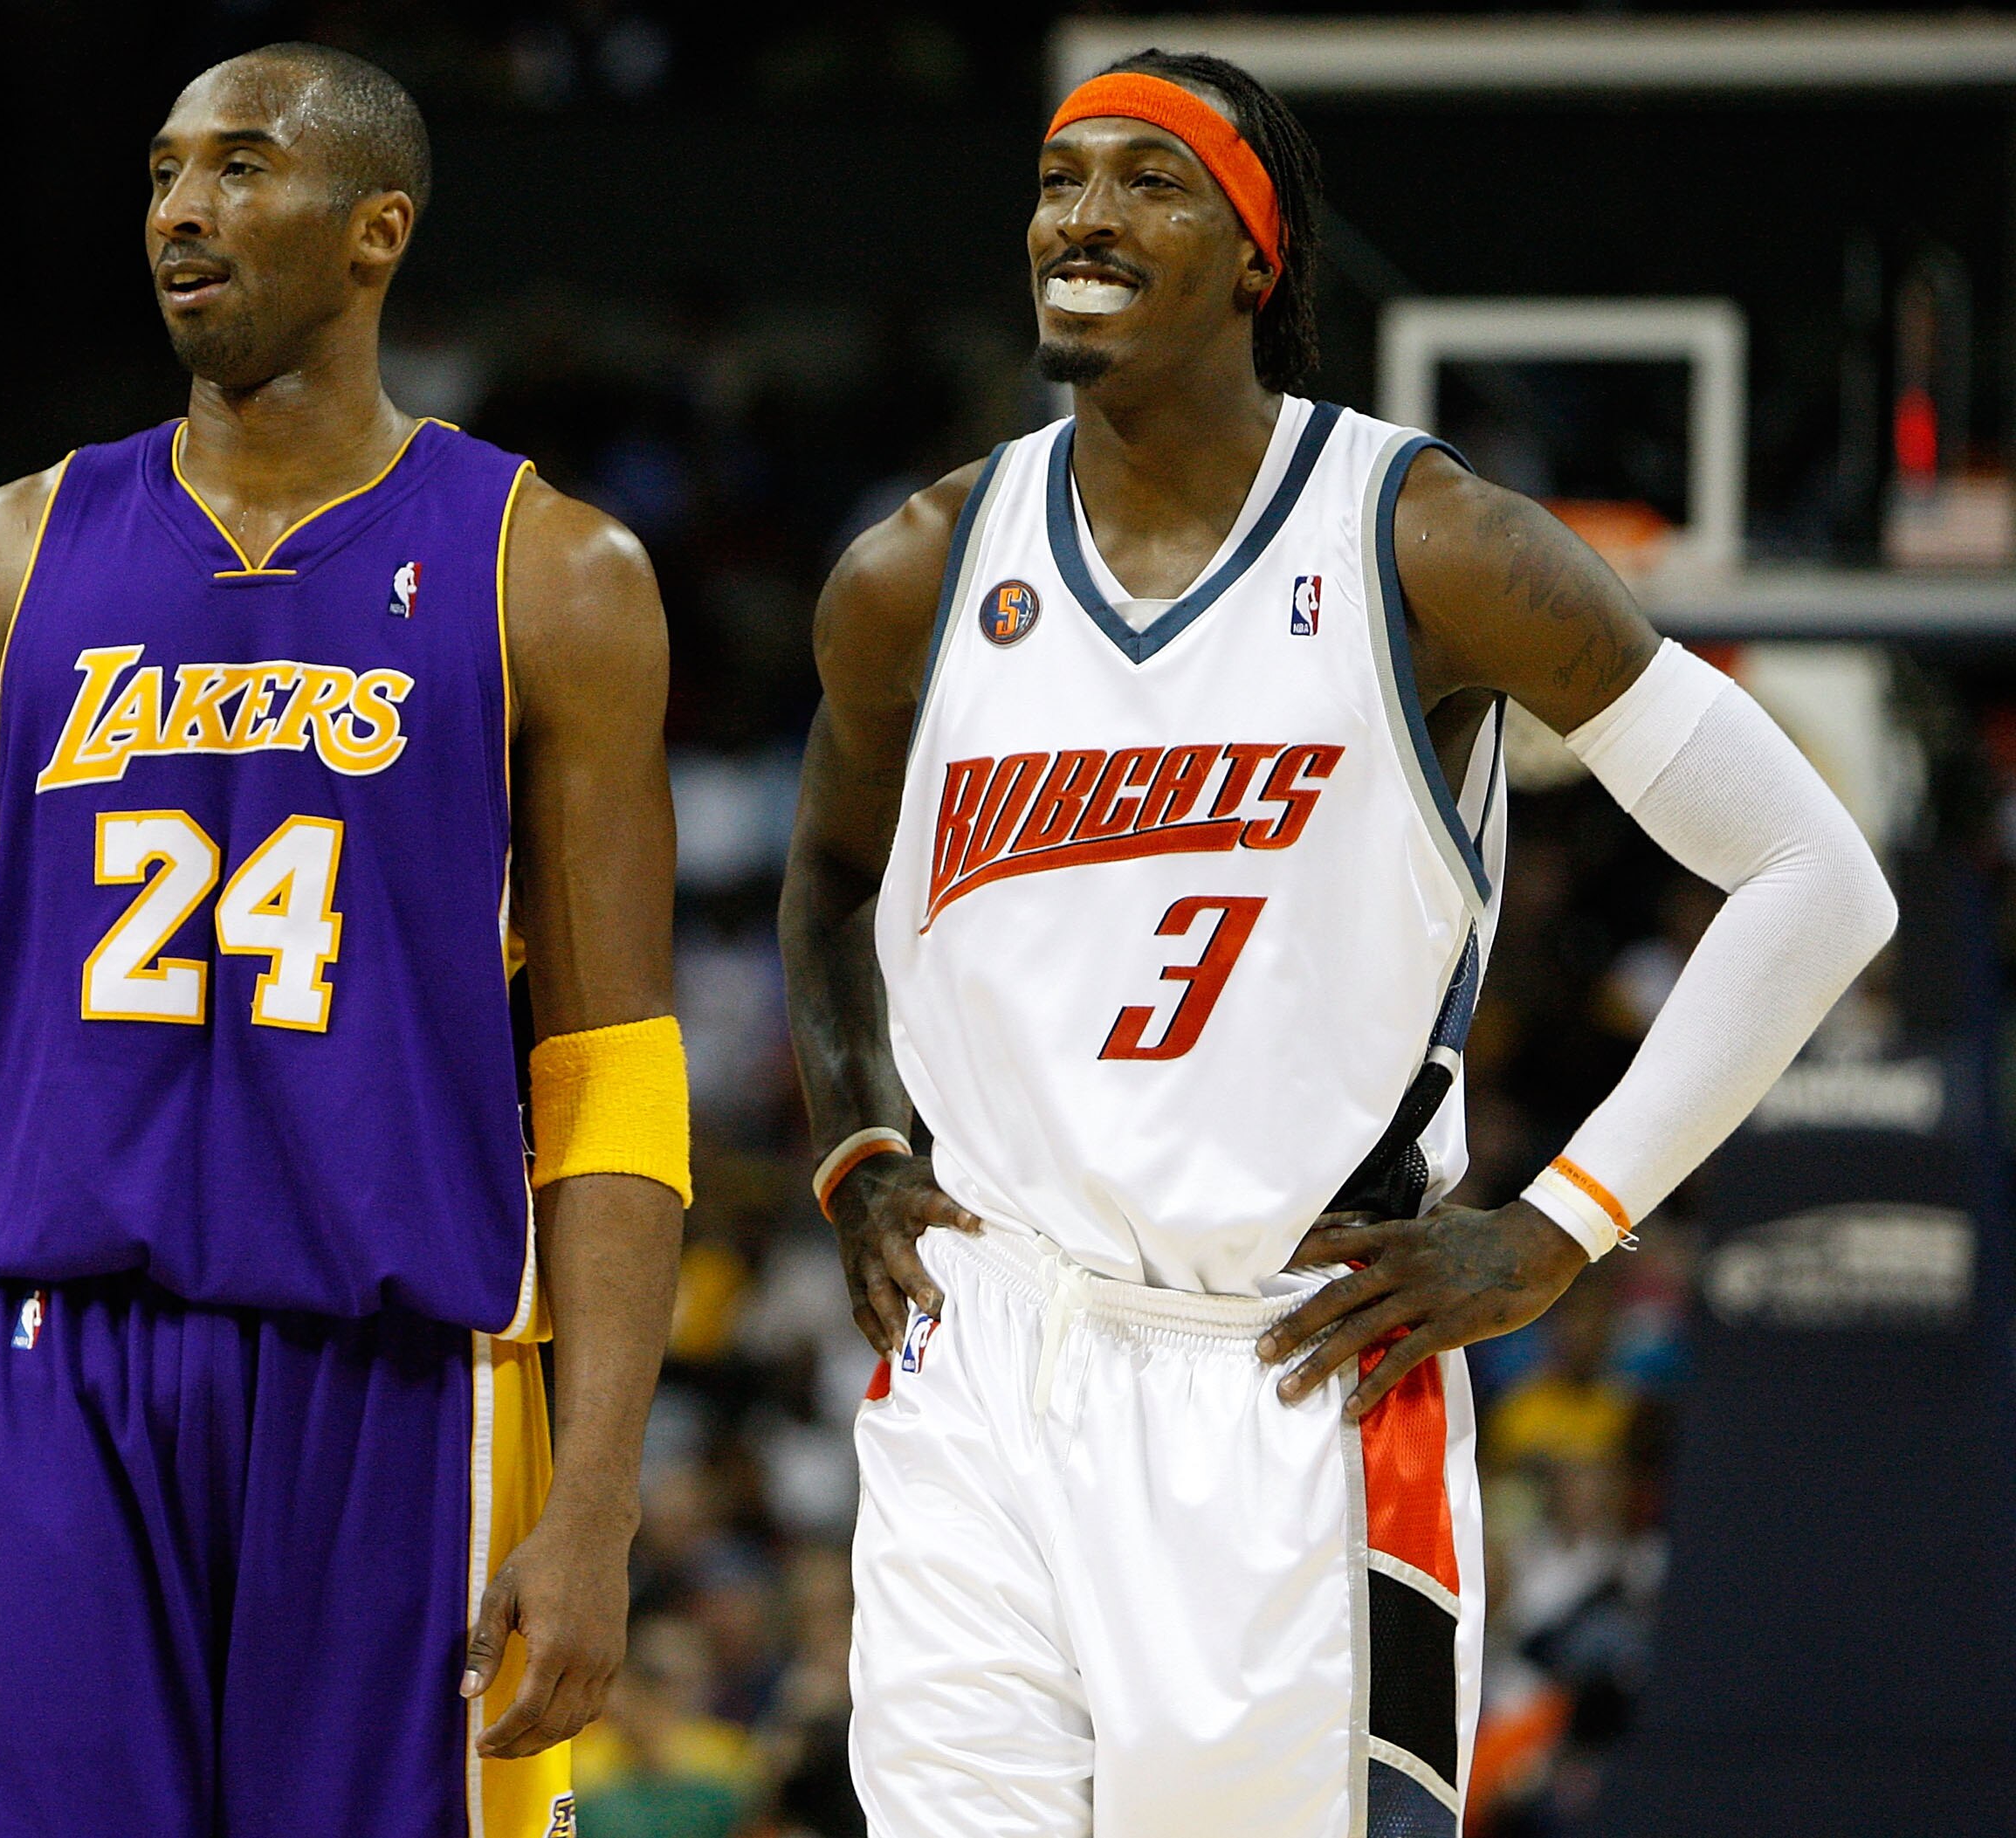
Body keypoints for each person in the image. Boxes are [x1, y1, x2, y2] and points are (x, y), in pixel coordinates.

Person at [776, 48, 1895, 1838]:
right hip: (982, 1364)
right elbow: (830, 885)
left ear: (1257, 257)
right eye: (1063, 178)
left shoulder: (1428, 541)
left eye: (1151, 180)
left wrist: (1557, 1230)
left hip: (1292, 1376)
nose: (1082, 213)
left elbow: (1814, 876)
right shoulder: (915, 567)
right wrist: (854, 1144)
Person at [0, 43, 686, 1838]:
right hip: (55, 1363)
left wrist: (602, 1493)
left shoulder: (548, 573)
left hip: (400, 1377)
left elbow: (614, 1066)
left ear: (377, 228)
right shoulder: (18, 552)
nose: (180, 210)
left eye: (243, 168)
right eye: (164, 172)